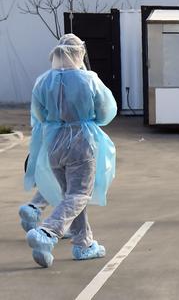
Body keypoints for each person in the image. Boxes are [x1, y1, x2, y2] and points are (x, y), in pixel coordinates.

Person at [24, 33, 117, 268]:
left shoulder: (43, 80)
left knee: (71, 195)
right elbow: (106, 111)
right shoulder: (89, 79)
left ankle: (83, 244)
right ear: (79, 54)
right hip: (81, 141)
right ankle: (47, 231)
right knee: (80, 193)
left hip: (53, 142)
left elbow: (39, 114)